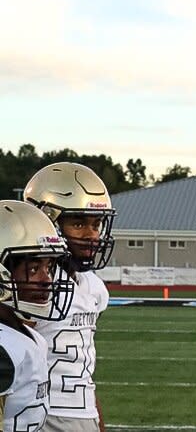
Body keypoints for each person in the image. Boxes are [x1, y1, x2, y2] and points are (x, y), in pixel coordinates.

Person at [24, 162, 116, 432]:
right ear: (45, 220)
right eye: (78, 223)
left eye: (96, 223)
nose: (92, 235)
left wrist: (96, 419)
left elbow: (84, 371)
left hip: (81, 413)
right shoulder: (30, 285)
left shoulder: (93, 286)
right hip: (42, 415)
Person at [0, 200, 74, 432]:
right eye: (34, 269)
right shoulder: (4, 346)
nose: (47, 279)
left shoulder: (28, 336)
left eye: (49, 267)